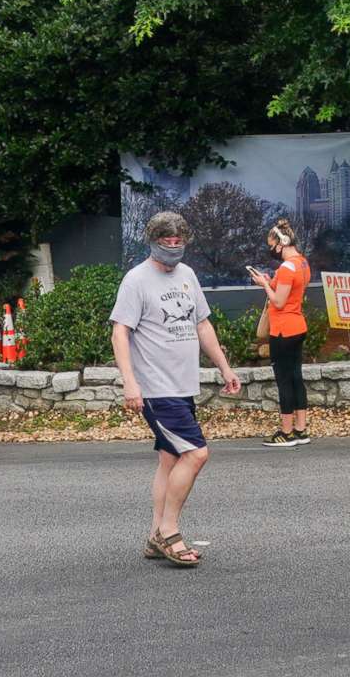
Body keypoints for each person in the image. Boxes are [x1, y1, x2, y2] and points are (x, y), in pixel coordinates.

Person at [110, 210, 241, 568]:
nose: (173, 248)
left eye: (178, 242)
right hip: (155, 387)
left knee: (170, 459)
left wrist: (225, 368)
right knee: (196, 454)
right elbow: (120, 332)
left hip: (183, 385)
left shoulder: (188, 275)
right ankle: (169, 532)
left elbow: (202, 325)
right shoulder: (136, 280)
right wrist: (131, 383)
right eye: (166, 243)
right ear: (152, 242)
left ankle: (155, 534)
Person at [247, 217, 313, 446]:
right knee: (296, 377)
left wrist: (266, 286)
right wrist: (268, 280)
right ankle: (300, 429)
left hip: (283, 330)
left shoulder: (286, 268)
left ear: (281, 243)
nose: (271, 250)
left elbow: (279, 301)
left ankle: (285, 432)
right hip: (298, 326)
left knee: (284, 380)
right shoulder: (302, 263)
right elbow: (291, 290)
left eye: (271, 246)